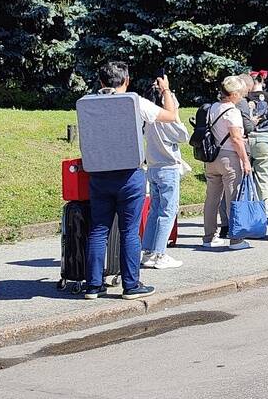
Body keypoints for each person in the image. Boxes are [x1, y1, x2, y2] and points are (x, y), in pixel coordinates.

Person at [76, 62, 177, 301]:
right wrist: (166, 91)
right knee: (129, 231)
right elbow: (171, 116)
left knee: (98, 230)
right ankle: (131, 285)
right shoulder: (136, 102)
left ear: (101, 82)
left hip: (99, 174)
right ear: (127, 80)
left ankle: (93, 285)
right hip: (130, 175)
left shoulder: (87, 103)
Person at [199, 75, 253, 251]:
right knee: (233, 199)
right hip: (229, 158)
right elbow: (236, 139)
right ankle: (236, 240)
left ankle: (208, 237)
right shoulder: (232, 111)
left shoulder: (213, 107)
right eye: (241, 93)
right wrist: (245, 161)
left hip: (212, 158)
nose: (242, 96)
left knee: (212, 199)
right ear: (234, 94)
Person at [140, 77, 188, 270]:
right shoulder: (166, 122)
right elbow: (183, 135)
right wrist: (174, 112)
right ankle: (160, 253)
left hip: (152, 167)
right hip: (168, 168)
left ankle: (148, 251)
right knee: (168, 211)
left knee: (155, 211)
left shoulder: (147, 119)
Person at [244, 73, 268, 207]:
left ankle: (245, 209)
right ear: (262, 81)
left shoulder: (244, 98)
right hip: (264, 137)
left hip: (246, 137)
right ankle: (265, 211)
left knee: (243, 176)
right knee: (264, 177)